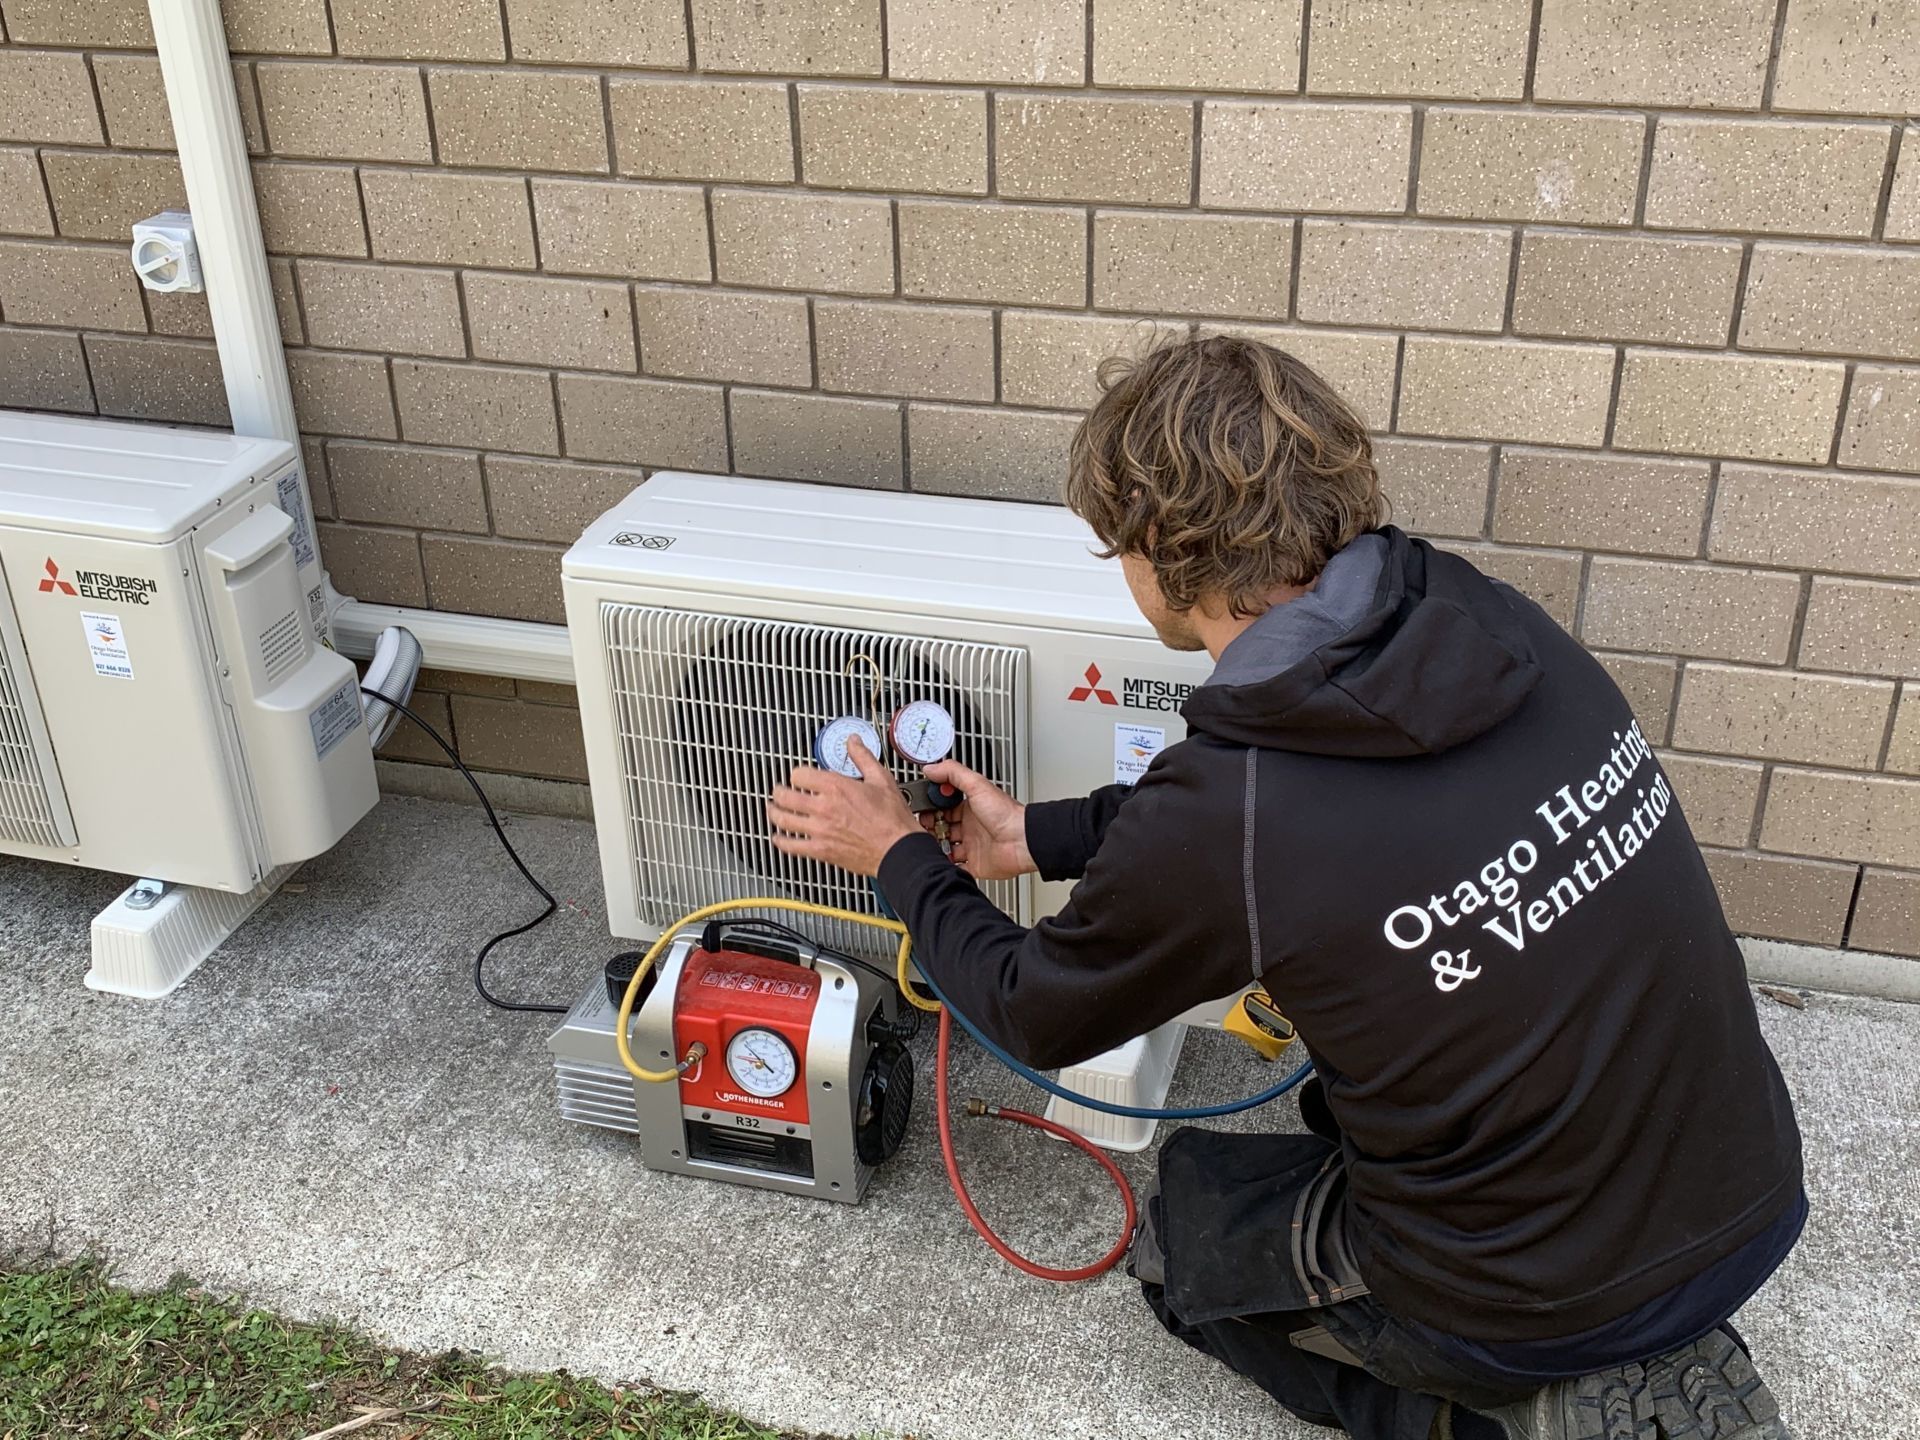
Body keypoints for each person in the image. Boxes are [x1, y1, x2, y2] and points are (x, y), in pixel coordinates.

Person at [765, 336, 1801, 1440]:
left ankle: (1514, 1418)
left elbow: (1033, 1005)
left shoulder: (1244, 803)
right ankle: (1619, 1334)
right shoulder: (1480, 620)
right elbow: (1252, 844)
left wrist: (899, 858)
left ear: (1161, 544)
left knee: (1184, 1233)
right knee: (1340, 1106)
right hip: (1740, 1192)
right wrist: (1037, 836)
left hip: (1523, 1285)